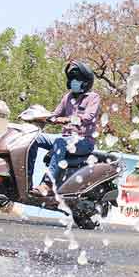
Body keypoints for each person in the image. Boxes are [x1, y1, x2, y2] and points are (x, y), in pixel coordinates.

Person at [28, 61, 101, 196]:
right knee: (34, 138)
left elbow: (88, 117)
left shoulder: (93, 98)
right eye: (72, 80)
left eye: (77, 80)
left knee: (60, 142)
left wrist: (68, 119)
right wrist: (37, 115)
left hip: (84, 142)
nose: (73, 82)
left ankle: (47, 185)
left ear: (85, 82)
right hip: (65, 138)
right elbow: (54, 115)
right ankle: (27, 181)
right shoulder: (67, 97)